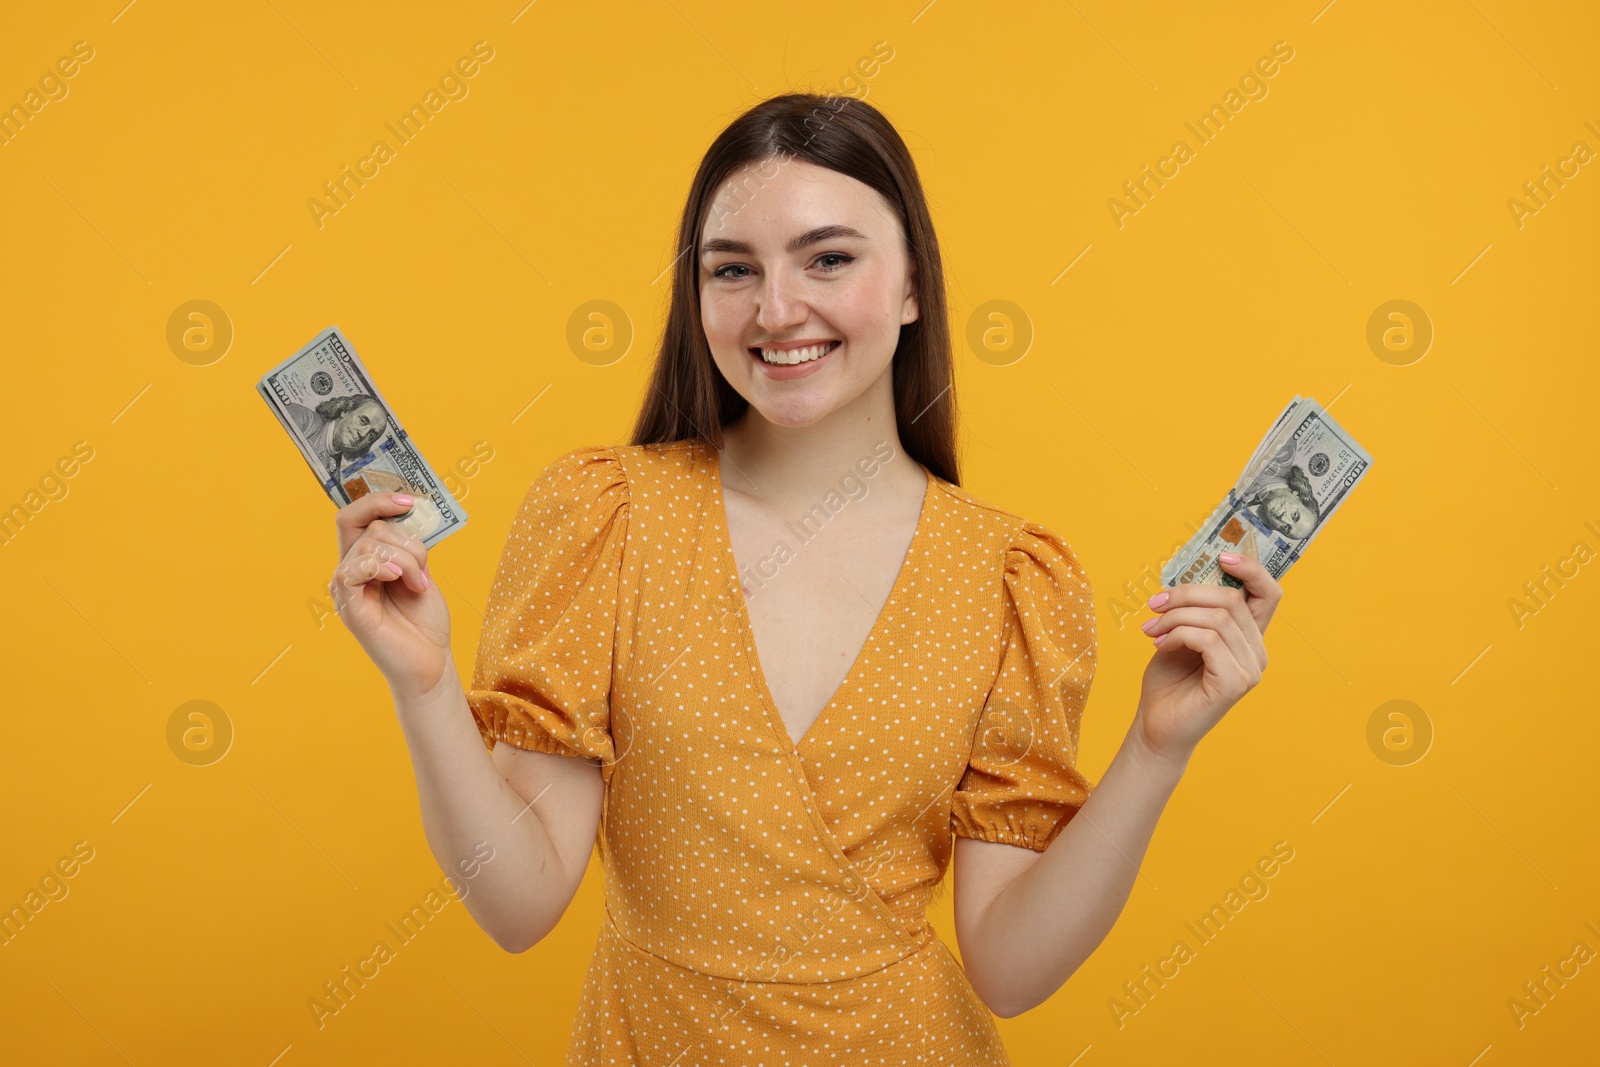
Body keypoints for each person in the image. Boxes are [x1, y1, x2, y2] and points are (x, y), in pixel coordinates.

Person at [327, 93, 1284, 1065]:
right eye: (732, 268)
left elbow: (1009, 963)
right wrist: (427, 683)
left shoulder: (1009, 577)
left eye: (828, 257)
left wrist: (1157, 748)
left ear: (913, 282)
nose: (775, 309)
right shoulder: (604, 518)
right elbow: (519, 900)